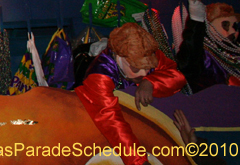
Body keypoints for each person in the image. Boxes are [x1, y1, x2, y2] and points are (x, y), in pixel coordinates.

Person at [75, 23, 186, 165]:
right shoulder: (99, 75)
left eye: (148, 68)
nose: (143, 73)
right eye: (136, 68)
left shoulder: (148, 52)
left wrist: (151, 82)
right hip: (103, 141)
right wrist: (138, 161)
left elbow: (177, 76)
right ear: (120, 57)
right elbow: (110, 120)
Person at [176, 0, 240, 92]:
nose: (233, 31)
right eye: (225, 25)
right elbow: (187, 63)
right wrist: (196, 22)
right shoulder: (204, 55)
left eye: (234, 26)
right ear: (209, 27)